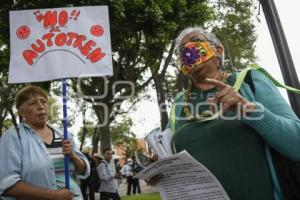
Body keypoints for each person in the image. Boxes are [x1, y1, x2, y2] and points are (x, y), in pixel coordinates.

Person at [151, 27, 300, 200]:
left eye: (195, 43)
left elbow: (296, 144)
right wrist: (158, 166)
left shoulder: (249, 81)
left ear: (218, 49)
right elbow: (169, 154)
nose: (188, 52)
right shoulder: (178, 103)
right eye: (181, 51)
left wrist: (250, 110)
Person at [0, 86, 90, 200]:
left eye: (43, 102)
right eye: (33, 103)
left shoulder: (64, 134)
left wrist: (73, 155)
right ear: (21, 111)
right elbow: (8, 185)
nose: (41, 106)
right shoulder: (13, 137)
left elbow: (83, 171)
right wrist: (54, 196)